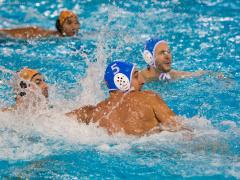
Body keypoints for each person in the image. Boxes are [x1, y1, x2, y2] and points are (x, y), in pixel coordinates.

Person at [66, 61, 184, 136]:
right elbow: (180, 128)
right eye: (136, 77)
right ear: (121, 81)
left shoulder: (94, 113)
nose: (142, 81)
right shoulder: (149, 98)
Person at [140, 38, 206, 82]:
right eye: (162, 53)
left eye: (168, 52)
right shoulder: (141, 79)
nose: (168, 56)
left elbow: (196, 74)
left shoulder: (171, 75)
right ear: (149, 58)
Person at [0, 10, 80, 39]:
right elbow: (30, 32)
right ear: (60, 26)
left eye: (76, 23)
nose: (74, 27)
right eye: (69, 23)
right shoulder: (47, 35)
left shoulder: (78, 36)